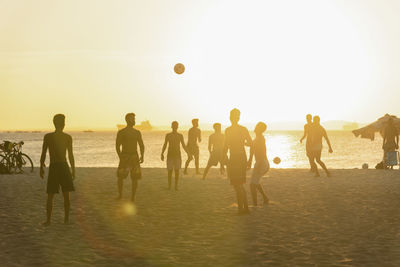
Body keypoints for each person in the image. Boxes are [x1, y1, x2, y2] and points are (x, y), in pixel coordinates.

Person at [40, 114, 75, 226]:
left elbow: (44, 153)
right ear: (63, 124)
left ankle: (49, 221)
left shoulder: (48, 137)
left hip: (54, 166)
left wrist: (41, 166)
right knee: (66, 195)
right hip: (64, 167)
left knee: (50, 195)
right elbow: (70, 155)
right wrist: (73, 169)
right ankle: (66, 220)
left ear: (54, 123)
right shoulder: (67, 137)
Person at [223, 108, 252, 214]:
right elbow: (226, 146)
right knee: (238, 184)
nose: (233, 118)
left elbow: (251, 144)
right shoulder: (232, 130)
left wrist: (250, 160)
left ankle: (241, 208)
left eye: (234, 116)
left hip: (239, 158)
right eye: (232, 115)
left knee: (238, 184)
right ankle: (246, 208)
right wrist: (223, 159)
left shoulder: (238, 129)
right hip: (236, 158)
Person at [116, 113, 145, 202]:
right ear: (128, 120)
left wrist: (142, 155)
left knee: (135, 178)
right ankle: (120, 195)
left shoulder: (137, 132)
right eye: (132, 119)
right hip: (125, 156)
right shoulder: (121, 132)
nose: (134, 120)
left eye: (134, 119)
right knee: (120, 177)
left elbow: (141, 145)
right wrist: (120, 156)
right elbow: (117, 145)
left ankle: (133, 197)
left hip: (134, 157)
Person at [247, 122, 270, 206]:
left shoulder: (260, 138)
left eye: (257, 126)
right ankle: (265, 198)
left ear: (260, 129)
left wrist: (259, 164)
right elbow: (251, 146)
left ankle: (255, 204)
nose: (255, 127)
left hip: (261, 162)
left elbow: (262, 151)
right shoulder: (257, 138)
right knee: (255, 182)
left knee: (252, 184)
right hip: (261, 162)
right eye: (256, 126)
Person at [161, 121, 188, 190]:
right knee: (170, 171)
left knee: (177, 171)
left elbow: (183, 145)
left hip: (177, 155)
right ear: (172, 126)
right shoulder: (168, 135)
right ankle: (169, 186)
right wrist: (162, 153)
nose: (175, 127)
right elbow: (165, 144)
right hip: (170, 155)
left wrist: (188, 153)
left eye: (176, 126)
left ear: (177, 127)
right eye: (174, 125)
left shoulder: (180, 135)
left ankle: (175, 186)